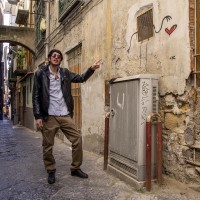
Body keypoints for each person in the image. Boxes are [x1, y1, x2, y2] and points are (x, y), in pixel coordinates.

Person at [32, 49, 101, 184]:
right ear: (49, 58)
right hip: (49, 115)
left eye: (58, 56)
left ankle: (75, 168)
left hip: (64, 114)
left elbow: (81, 78)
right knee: (47, 145)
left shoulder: (65, 73)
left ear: (60, 60)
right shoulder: (41, 73)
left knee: (77, 138)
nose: (56, 58)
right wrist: (38, 116)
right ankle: (51, 170)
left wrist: (91, 69)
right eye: (54, 56)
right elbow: (36, 95)